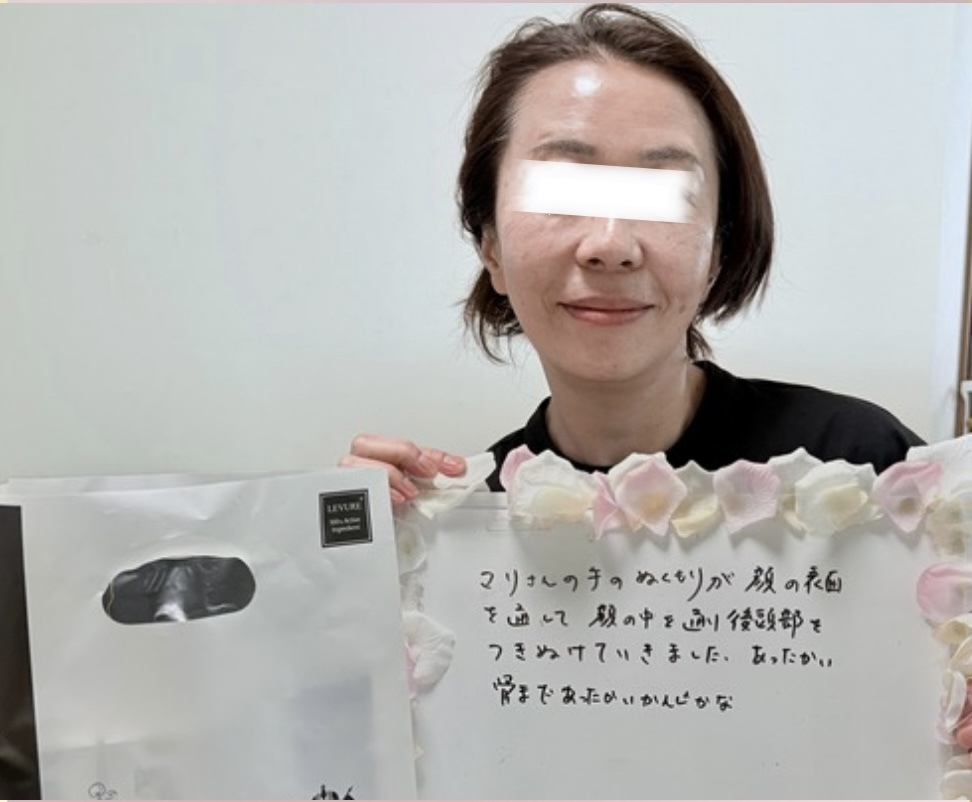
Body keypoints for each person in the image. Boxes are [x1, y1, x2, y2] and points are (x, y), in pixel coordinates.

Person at [340, 3, 922, 505]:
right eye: (564, 189)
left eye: (660, 195)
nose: (611, 246)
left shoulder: (860, 466)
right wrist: (351, 556)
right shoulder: (471, 521)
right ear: (489, 245)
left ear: (719, 248)